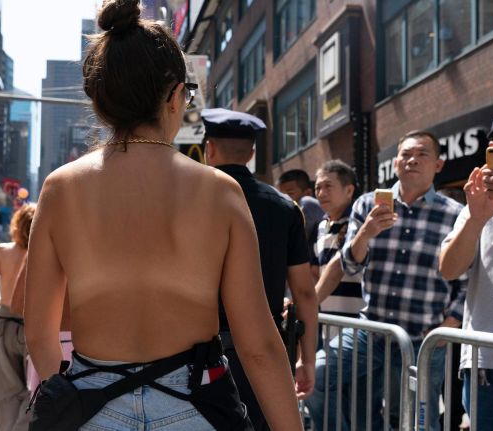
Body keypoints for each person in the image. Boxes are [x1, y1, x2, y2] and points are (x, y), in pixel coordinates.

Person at [24, 1, 303, 430]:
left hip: (91, 404)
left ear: (100, 101)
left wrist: (62, 391)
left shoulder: (60, 189)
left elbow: (40, 334)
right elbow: (258, 345)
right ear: (175, 97)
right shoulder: (220, 191)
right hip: (195, 403)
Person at [306, 130, 467, 431]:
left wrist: (448, 327)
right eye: (405, 155)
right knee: (312, 378)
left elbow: (466, 282)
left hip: (424, 339)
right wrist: (365, 233)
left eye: (422, 154)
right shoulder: (368, 205)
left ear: (438, 165)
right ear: (395, 164)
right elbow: (349, 265)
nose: (412, 161)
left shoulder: (455, 214)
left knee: (421, 422)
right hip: (371, 332)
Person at [201, 108, 318, 430]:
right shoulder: (285, 207)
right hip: (264, 349)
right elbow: (305, 291)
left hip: (196, 350)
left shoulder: (190, 200)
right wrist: (306, 359)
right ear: (251, 153)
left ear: (209, 148)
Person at [440, 106, 493, 429]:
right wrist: (475, 219)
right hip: (487, 366)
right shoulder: (478, 203)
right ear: (491, 153)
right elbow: (448, 268)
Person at [0, 203, 36, 431]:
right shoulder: (43, 253)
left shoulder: (3, 251)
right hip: (33, 326)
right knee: (35, 391)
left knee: (5, 393)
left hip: (5, 327)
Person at [310, 160, 364, 323]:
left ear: (349, 190)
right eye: (318, 188)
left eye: (328, 186)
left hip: (360, 324)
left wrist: (306, 304)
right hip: (328, 321)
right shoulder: (321, 226)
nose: (321, 193)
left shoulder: (361, 223)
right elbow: (316, 272)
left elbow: (338, 267)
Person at [277, 169, 325, 238]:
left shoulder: (306, 202)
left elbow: (299, 240)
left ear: (308, 193)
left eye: (290, 194)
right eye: (281, 196)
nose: (284, 199)